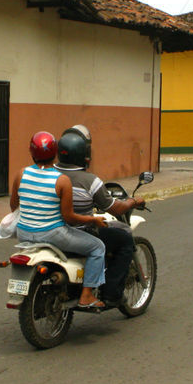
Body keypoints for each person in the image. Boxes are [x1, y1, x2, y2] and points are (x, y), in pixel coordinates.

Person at [10, 131, 108, 309]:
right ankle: (86, 295)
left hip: (23, 233)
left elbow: (14, 207)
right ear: (55, 153)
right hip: (52, 234)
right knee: (97, 247)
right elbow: (69, 217)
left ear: (31, 152)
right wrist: (93, 220)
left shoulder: (21, 174)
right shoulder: (61, 181)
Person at [54, 125, 146, 307]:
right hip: (76, 234)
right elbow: (116, 209)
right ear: (83, 155)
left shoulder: (47, 175)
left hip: (50, 232)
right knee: (124, 240)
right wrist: (134, 202)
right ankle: (111, 294)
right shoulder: (90, 181)